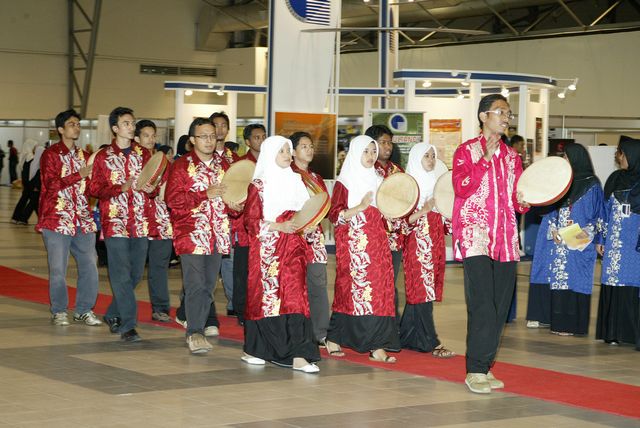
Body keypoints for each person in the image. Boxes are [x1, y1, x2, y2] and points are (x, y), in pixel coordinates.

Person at [452, 94, 529, 394]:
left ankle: (484, 365)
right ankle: (474, 369)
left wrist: (524, 203)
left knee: (500, 305)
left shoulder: (512, 157)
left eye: (508, 113)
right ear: (484, 116)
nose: (506, 118)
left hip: (506, 238)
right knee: (482, 303)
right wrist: (484, 159)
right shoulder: (466, 151)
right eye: (500, 112)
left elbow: (518, 199)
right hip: (475, 236)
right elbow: (461, 187)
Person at [242, 135, 320, 373]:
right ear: (270, 154)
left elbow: (305, 212)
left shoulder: (297, 180)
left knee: (295, 298)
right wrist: (278, 226)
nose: (287, 155)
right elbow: (251, 222)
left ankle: (298, 354)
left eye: (288, 150)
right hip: (268, 250)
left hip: (294, 248)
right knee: (267, 299)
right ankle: (255, 350)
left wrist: (308, 226)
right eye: (282, 151)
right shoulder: (259, 185)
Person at [326, 135, 400, 363]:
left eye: (373, 151)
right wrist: (360, 207)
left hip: (378, 243)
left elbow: (386, 210)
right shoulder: (345, 181)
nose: (371, 156)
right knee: (350, 290)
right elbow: (334, 215)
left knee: (380, 291)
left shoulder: (378, 179)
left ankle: (377, 344)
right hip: (354, 244)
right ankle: (334, 338)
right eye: (366, 151)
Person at [166, 117, 236, 354]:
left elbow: (232, 200)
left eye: (212, 136)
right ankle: (195, 333)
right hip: (192, 235)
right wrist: (204, 194)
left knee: (207, 286)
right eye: (203, 136)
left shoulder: (224, 165)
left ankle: (196, 323)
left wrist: (236, 206)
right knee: (195, 284)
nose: (209, 140)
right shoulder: (181, 166)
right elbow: (172, 200)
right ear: (192, 140)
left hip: (217, 234)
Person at [89, 107, 154, 342]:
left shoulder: (144, 154)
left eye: (133, 123)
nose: (131, 127)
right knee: (120, 274)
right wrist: (120, 188)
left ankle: (112, 313)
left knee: (135, 274)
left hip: (140, 222)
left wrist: (151, 188)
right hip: (115, 222)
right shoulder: (103, 156)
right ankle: (128, 325)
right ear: (115, 128)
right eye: (126, 123)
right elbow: (94, 188)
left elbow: (154, 184)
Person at [527, 143, 603, 336]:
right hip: (559, 241)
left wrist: (573, 236)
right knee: (559, 279)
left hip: (579, 242)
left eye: (567, 157)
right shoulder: (563, 182)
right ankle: (558, 323)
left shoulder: (592, 185)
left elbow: (597, 217)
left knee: (576, 279)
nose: (564, 161)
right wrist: (554, 229)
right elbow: (552, 209)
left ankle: (573, 325)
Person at [36, 109, 102, 327]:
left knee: (90, 265)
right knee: (58, 269)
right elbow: (50, 184)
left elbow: (91, 188)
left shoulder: (85, 155)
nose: (77, 127)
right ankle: (59, 310)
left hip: (82, 218)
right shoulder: (51, 155)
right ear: (60, 129)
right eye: (72, 124)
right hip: (56, 219)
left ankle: (83, 310)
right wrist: (78, 175)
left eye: (78, 124)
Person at [400, 142, 454, 358]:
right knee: (422, 290)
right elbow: (402, 222)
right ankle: (431, 341)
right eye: (426, 156)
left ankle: (406, 336)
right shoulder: (409, 186)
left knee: (423, 291)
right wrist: (424, 210)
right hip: (416, 245)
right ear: (416, 159)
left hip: (435, 245)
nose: (431, 160)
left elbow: (445, 222)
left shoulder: (435, 185)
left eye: (433, 156)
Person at [289, 131, 333, 350]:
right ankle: (295, 331)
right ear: (293, 151)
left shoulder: (316, 178)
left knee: (317, 285)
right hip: (291, 238)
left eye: (311, 146)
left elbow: (325, 208)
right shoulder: (287, 176)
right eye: (304, 146)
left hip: (314, 239)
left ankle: (320, 332)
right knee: (293, 287)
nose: (309, 150)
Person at [596, 136, 640, 350]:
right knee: (613, 283)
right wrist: (601, 238)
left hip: (634, 245)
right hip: (614, 243)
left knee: (631, 284)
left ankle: (631, 334)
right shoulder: (615, 179)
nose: (618, 158)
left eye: (621, 154)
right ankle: (612, 333)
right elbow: (604, 211)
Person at [134, 120, 172, 322]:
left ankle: (161, 308)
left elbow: (168, 192)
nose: (150, 139)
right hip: (137, 222)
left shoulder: (164, 161)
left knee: (159, 267)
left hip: (161, 222)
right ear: (137, 138)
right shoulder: (130, 161)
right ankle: (122, 307)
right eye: (146, 135)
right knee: (134, 269)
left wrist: (159, 192)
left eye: (153, 135)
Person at [365, 125, 404, 319]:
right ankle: (373, 322)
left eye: (390, 142)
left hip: (394, 237)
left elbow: (406, 199)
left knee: (390, 281)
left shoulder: (397, 171)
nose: (388, 147)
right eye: (383, 142)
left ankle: (390, 324)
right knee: (372, 281)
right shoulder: (366, 170)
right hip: (372, 236)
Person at [231, 124, 266, 326]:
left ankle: (260, 308)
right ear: (247, 141)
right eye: (256, 137)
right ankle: (241, 310)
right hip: (244, 227)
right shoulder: (240, 164)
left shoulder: (272, 163)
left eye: (263, 136)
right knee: (242, 272)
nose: (261, 140)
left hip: (267, 227)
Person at [11, 139, 40, 225]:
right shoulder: (32, 158)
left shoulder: (24, 157)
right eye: (34, 147)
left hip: (26, 183)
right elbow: (34, 173)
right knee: (34, 201)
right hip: (32, 183)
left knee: (25, 200)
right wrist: (36, 185)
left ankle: (16, 217)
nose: (35, 148)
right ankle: (23, 218)